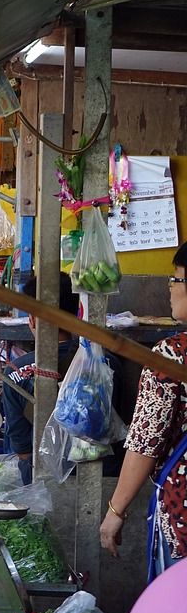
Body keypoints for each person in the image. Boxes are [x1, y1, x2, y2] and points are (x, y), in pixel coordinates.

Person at [102, 242, 187, 576]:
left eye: (177, 278)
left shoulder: (171, 356)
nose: (170, 286)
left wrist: (115, 511)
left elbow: (146, 442)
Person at [1, 275, 81, 486]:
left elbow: (22, 450)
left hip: (39, 484)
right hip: (107, 481)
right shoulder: (108, 365)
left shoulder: (16, 372)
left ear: (34, 319)